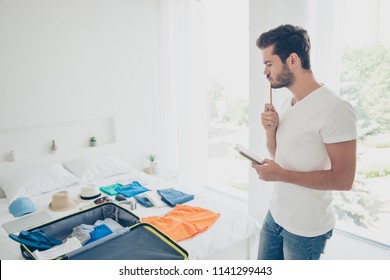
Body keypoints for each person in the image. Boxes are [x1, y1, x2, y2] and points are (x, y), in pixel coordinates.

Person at [252, 24, 357, 260]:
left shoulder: (335, 109)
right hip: (276, 215)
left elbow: (343, 180)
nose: (264, 71)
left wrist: (280, 175)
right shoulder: (287, 104)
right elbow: (281, 156)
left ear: (292, 60)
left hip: (305, 230)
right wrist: (271, 131)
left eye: (269, 63)